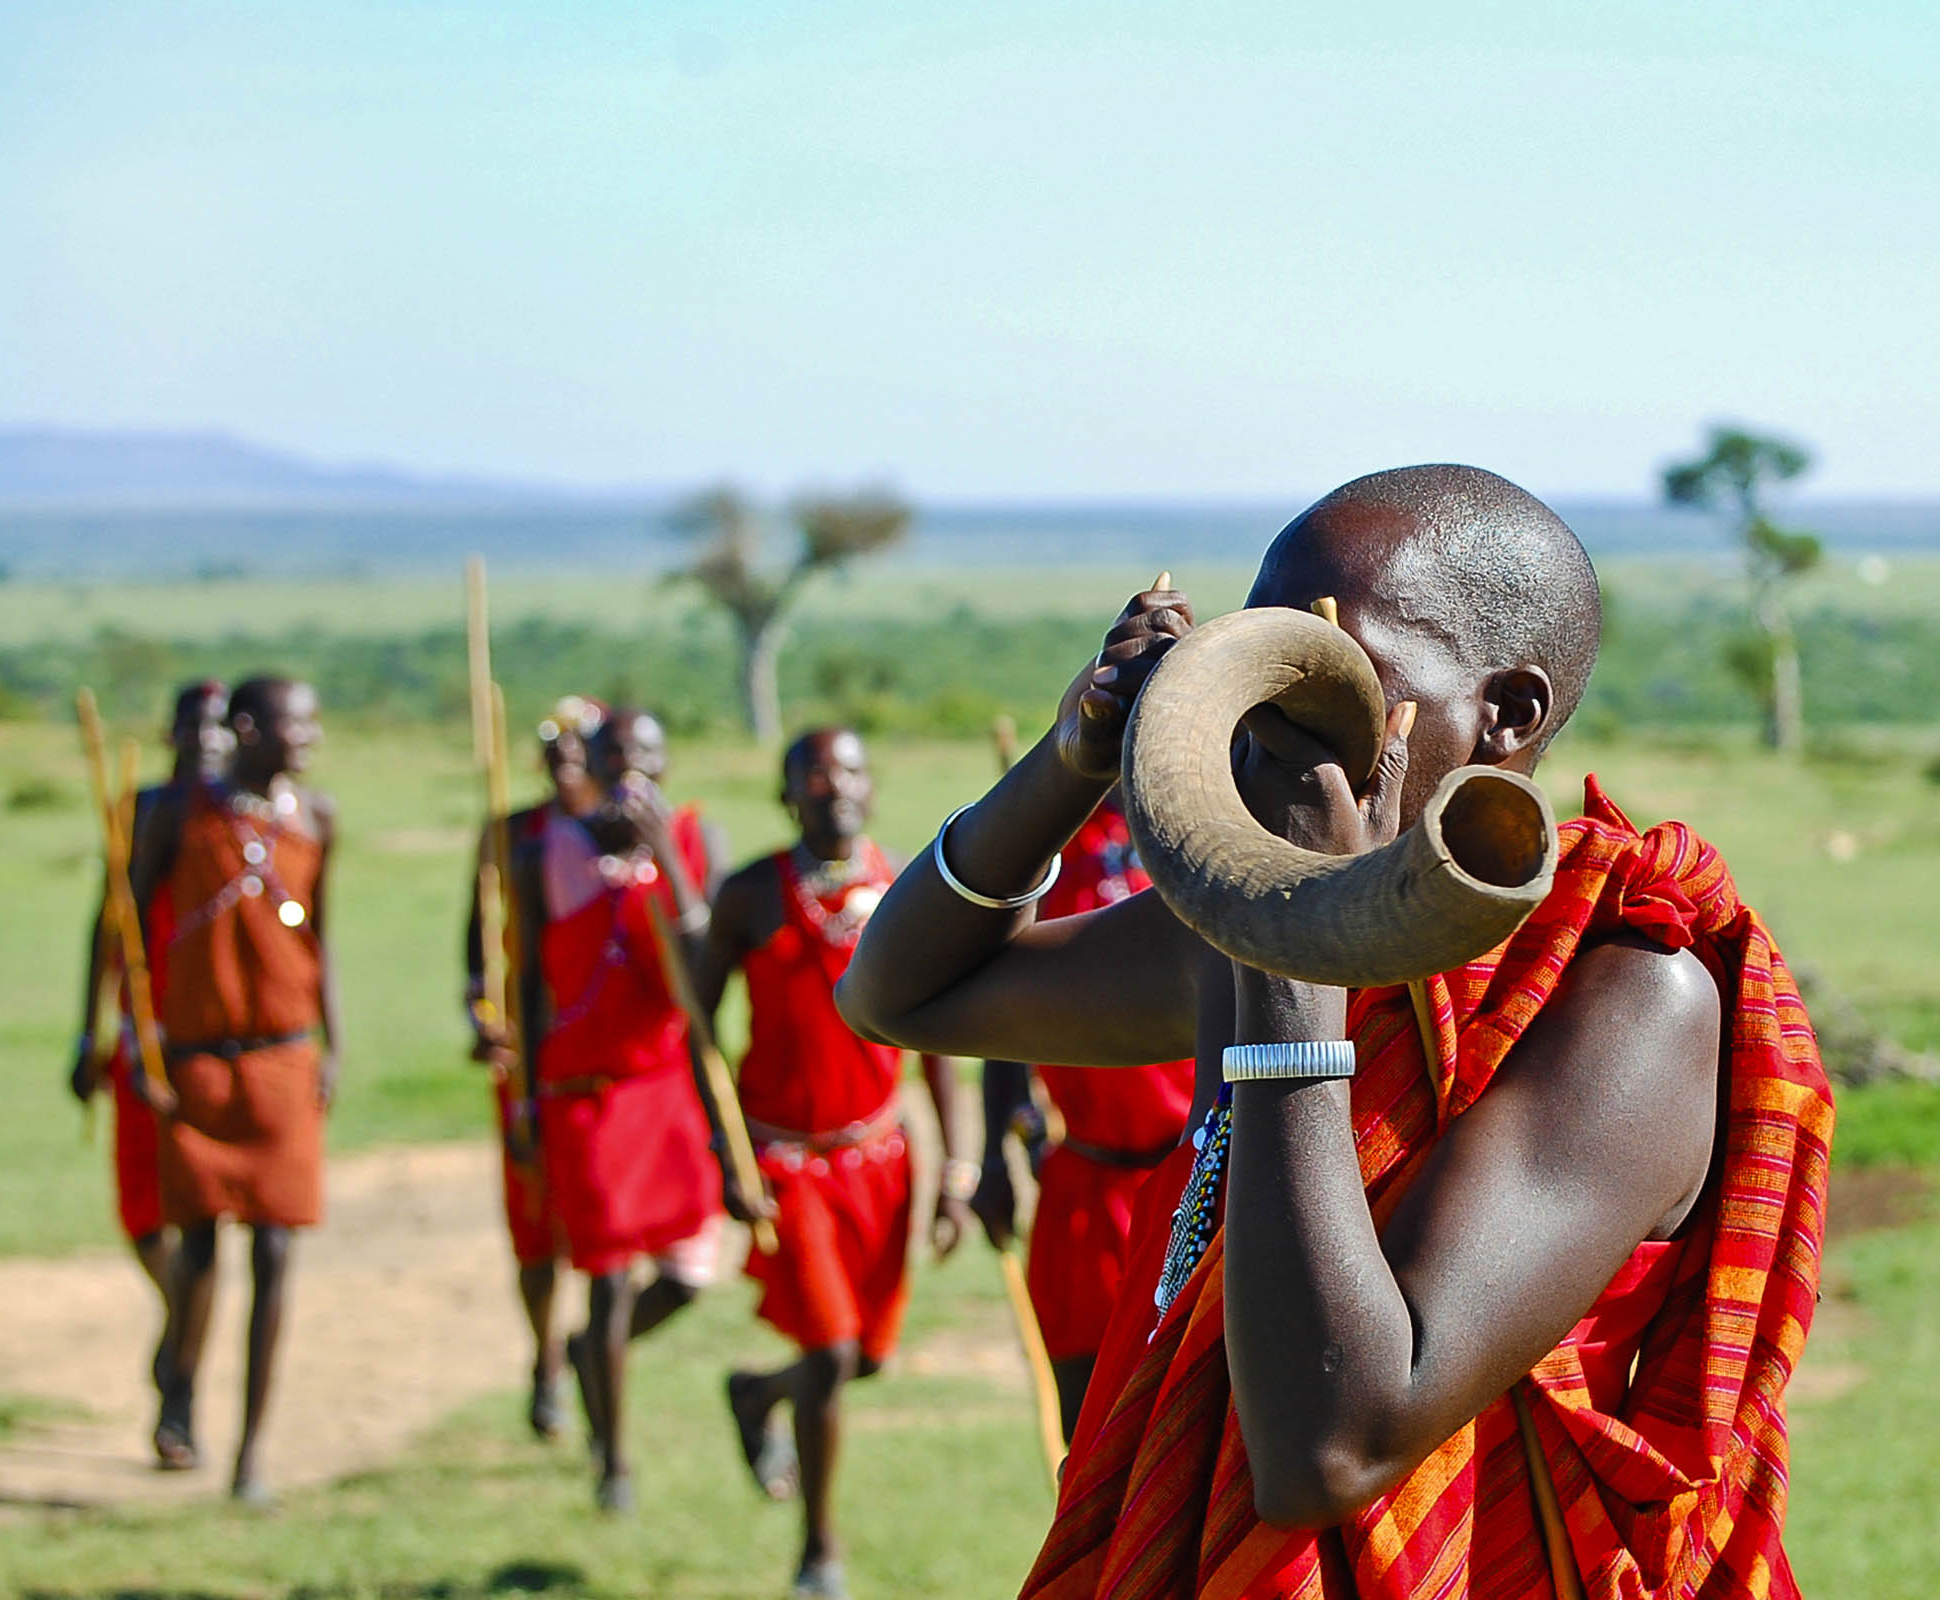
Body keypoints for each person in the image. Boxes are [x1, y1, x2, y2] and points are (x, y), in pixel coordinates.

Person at [838, 465, 1834, 1599]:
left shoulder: (1628, 991)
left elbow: (1333, 1444)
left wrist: (1287, 941)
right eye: (1255, 654)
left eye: (1326, 666)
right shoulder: (1241, 939)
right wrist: (1071, 761)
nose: (1261, 708)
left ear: (1504, 712)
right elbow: (901, 996)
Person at [694, 727, 973, 1600]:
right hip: (782, 1162)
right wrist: (724, 1152)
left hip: (881, 1159)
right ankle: (820, 1552)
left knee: (869, 1357)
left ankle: (754, 1393)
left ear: (871, 786)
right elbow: (697, 1034)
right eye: (812, 774)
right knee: (829, 1350)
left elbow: (939, 1036)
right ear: (787, 795)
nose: (832, 786)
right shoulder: (748, 897)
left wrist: (957, 1171)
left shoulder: (907, 889)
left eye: (849, 769)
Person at [134, 676, 342, 1504]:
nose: (309, 738)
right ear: (250, 729)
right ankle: (180, 1385)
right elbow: (124, 924)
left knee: (278, 1249)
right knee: (196, 1250)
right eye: (297, 724)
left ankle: (254, 1451)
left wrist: (336, 1042)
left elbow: (321, 936)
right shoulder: (179, 815)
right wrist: (131, 1036)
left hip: (285, 1060)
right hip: (195, 1063)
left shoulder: (317, 818)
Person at [521, 706, 723, 1513]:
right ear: (591, 766)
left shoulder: (697, 838)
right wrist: (527, 1099)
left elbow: (704, 955)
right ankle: (613, 1458)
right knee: (605, 1277)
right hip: (584, 1093)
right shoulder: (549, 850)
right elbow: (532, 986)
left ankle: (584, 1356)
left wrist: (664, 855)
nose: (628, 770)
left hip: (664, 1086)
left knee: (686, 1277)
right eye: (613, 756)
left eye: (644, 754)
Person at [974, 793, 1192, 1437]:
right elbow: (1004, 1008)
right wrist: (995, 1151)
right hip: (1084, 1187)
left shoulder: (1212, 827)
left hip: (1198, 1181)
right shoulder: (1041, 855)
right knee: (1088, 1428)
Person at [462, 694, 604, 1441]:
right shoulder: (511, 833)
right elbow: (474, 951)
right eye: (553, 749)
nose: (565, 762)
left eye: (580, 747)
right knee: (535, 1224)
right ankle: (546, 1356)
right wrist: (483, 1019)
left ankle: (592, 1357)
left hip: (605, 1062)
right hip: (530, 1059)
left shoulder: (619, 840)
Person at [69, 680, 230, 1302]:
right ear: (171, 735)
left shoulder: (241, 817)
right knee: (142, 1206)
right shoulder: (142, 809)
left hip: (215, 1037)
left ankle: (186, 1341)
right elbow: (108, 926)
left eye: (219, 726)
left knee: (200, 1203)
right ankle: (180, 1319)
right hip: (143, 1033)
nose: (206, 740)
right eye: (194, 725)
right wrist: (90, 1033)